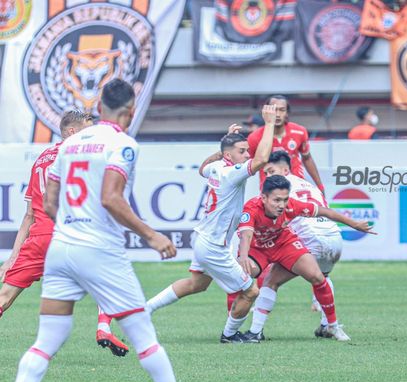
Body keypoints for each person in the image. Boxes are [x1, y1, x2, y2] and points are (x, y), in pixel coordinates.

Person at [0, 79, 212, 382]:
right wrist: (151, 234)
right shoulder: (123, 145)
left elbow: (49, 203)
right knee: (144, 333)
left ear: (98, 109)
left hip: (60, 248)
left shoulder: (67, 146)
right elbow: (112, 198)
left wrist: (71, 224)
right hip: (98, 250)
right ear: (129, 112)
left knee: (48, 338)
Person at [144, 105, 277, 344]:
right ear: (230, 156)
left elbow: (202, 169)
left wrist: (223, 146)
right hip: (213, 245)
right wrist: (269, 124)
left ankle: (145, 310)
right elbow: (262, 159)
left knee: (196, 284)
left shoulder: (217, 166)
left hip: (205, 238)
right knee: (251, 291)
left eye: (247, 150)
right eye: (242, 151)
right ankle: (229, 335)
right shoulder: (231, 173)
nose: (247, 154)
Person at [0, 110, 128, 357]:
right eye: (87, 130)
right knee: (110, 274)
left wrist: (12, 257)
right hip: (69, 233)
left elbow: (29, 215)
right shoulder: (77, 154)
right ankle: (103, 327)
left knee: (5, 296)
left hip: (38, 238)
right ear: (72, 132)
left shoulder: (41, 159)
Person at [236, 175, 375, 342]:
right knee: (244, 276)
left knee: (317, 277)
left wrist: (354, 224)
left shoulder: (292, 206)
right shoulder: (252, 207)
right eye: (277, 200)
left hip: (284, 244)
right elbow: (246, 235)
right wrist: (243, 256)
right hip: (259, 249)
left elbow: (326, 211)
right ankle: (244, 332)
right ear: (264, 197)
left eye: (285, 200)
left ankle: (332, 326)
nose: (281, 205)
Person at [243, 151, 343, 341]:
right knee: (322, 278)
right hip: (335, 238)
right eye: (266, 172)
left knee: (272, 280)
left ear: (286, 170)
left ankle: (255, 331)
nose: (269, 176)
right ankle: (329, 325)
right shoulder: (310, 186)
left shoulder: (279, 191)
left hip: (312, 238)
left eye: (272, 171)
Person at [246, 95, 325, 194]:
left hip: (297, 187)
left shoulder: (299, 132)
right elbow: (247, 165)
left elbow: (307, 158)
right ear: (266, 112)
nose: (278, 114)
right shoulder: (255, 137)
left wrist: (320, 186)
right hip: (270, 190)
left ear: (287, 113)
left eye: (282, 110)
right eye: (274, 110)